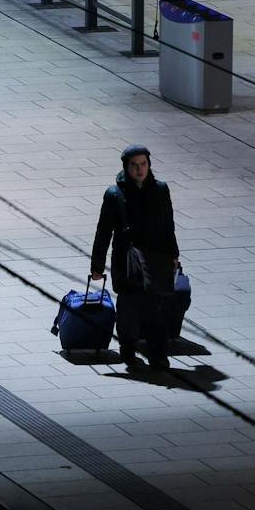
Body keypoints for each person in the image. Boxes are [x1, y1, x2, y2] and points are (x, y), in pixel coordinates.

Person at [90, 144, 182, 371]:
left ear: (149, 165)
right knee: (128, 309)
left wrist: (173, 254)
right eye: (134, 165)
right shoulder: (115, 194)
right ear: (126, 167)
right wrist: (97, 265)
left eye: (143, 164)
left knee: (156, 310)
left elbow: (168, 225)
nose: (139, 169)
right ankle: (128, 350)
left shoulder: (160, 190)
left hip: (156, 259)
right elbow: (103, 232)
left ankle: (158, 356)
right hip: (126, 260)